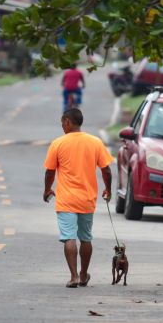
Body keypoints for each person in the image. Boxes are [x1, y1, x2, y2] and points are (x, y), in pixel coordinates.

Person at [43, 108, 114, 288]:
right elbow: (106, 170)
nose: (62, 127)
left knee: (69, 238)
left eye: (62, 123)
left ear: (67, 122)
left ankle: (74, 276)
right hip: (87, 199)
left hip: (66, 200)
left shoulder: (58, 143)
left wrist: (47, 190)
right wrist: (108, 189)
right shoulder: (95, 142)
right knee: (86, 238)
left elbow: (50, 172)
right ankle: (83, 275)